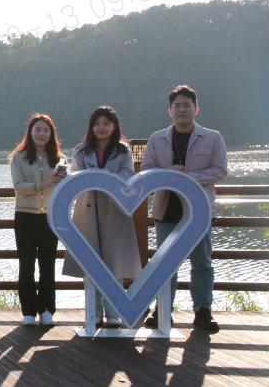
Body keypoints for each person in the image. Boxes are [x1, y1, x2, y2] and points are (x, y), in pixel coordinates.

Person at [140, 85, 228, 333]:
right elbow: (146, 169)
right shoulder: (157, 139)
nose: (182, 110)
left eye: (187, 105)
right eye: (177, 106)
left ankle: (202, 311)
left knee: (202, 263)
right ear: (170, 111)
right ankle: (163, 310)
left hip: (199, 210)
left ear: (196, 109)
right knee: (165, 263)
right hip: (166, 209)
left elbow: (220, 171)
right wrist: (169, 174)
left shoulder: (213, 138)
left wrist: (191, 177)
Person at [62, 106, 142, 327]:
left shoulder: (123, 150)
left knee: (114, 263)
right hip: (87, 209)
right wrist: (91, 175)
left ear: (114, 126)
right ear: (92, 126)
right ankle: (94, 313)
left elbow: (129, 174)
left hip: (114, 209)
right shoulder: (81, 150)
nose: (101, 128)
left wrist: (110, 177)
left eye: (106, 123)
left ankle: (114, 314)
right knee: (91, 264)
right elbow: (75, 174)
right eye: (97, 124)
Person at [9, 114, 65, 327]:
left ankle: (47, 310)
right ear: (30, 133)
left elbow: (62, 187)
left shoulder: (60, 159)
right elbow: (19, 188)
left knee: (48, 265)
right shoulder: (19, 158)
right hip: (25, 216)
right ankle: (29, 311)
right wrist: (43, 184)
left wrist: (62, 181)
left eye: (46, 130)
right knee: (26, 265)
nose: (41, 134)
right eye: (37, 130)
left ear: (52, 134)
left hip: (50, 217)